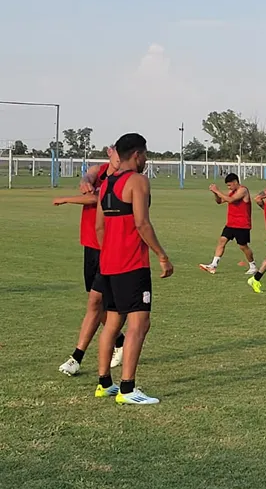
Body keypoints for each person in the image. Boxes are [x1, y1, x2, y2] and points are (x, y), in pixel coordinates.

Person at [95, 133, 173, 405]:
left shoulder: (105, 184)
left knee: (113, 323)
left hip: (108, 264)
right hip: (132, 264)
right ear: (138, 155)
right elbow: (142, 223)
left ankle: (105, 383)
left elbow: (99, 227)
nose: (146, 160)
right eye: (146, 155)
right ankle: (127, 389)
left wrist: (109, 254)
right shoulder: (138, 181)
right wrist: (162, 255)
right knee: (139, 323)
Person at [55, 147, 125, 376]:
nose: (119, 160)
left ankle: (77, 357)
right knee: (97, 303)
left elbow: (96, 198)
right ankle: (120, 339)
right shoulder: (101, 170)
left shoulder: (122, 180)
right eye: (116, 155)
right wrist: (85, 180)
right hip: (91, 247)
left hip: (108, 248)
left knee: (95, 302)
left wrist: (67, 199)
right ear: (110, 152)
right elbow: (90, 175)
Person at [199, 173, 257, 276]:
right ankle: (213, 265)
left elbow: (231, 200)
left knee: (243, 246)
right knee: (222, 241)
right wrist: (215, 193)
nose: (229, 187)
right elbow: (220, 201)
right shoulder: (232, 192)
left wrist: (217, 190)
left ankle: (253, 266)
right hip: (231, 223)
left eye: (230, 185)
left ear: (235, 182)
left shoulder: (243, 190)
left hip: (242, 224)